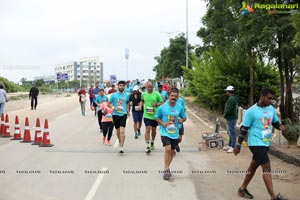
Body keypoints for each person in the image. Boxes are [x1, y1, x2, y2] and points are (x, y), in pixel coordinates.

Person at [234, 88, 287, 200]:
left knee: (253, 166)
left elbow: (275, 122)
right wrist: (238, 145)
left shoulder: (271, 109)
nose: (270, 101)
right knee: (266, 166)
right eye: (269, 98)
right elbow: (244, 129)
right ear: (262, 96)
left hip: (265, 143)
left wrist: (280, 126)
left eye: (272, 99)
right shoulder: (251, 111)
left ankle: (242, 189)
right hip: (255, 143)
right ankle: (273, 197)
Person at [155, 88, 186, 180]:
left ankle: (167, 167)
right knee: (168, 149)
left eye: (175, 96)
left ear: (177, 97)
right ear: (168, 96)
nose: (174, 97)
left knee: (172, 151)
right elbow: (156, 117)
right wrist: (163, 123)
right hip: (165, 132)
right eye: (172, 96)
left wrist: (181, 120)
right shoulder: (162, 107)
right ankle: (166, 168)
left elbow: (184, 118)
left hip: (174, 133)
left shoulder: (179, 107)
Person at [141, 81, 163, 154]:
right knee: (147, 129)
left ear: (153, 87)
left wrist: (156, 104)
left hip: (155, 116)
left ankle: (152, 141)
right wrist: (141, 105)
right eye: (148, 87)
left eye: (151, 87)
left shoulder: (157, 94)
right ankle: (147, 146)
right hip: (147, 115)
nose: (149, 88)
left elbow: (162, 102)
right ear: (146, 87)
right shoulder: (144, 94)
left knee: (153, 130)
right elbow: (142, 101)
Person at [109, 81, 130, 154]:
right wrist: (114, 108)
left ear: (124, 87)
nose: (121, 87)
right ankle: (120, 141)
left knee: (122, 131)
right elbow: (108, 103)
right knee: (118, 131)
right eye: (120, 85)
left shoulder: (126, 95)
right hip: (115, 115)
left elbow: (127, 103)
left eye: (123, 86)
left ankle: (121, 146)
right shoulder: (113, 95)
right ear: (118, 86)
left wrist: (128, 111)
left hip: (123, 114)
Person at [223, 85, 239, 153]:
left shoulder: (231, 99)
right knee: (230, 132)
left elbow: (229, 109)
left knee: (232, 132)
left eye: (226, 91)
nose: (226, 92)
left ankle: (233, 146)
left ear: (228, 92)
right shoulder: (233, 98)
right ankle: (230, 145)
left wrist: (225, 114)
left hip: (231, 117)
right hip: (232, 117)